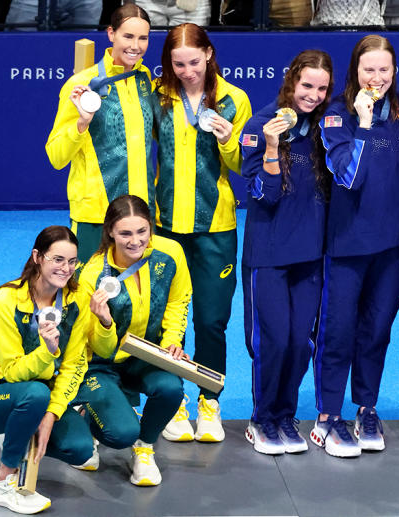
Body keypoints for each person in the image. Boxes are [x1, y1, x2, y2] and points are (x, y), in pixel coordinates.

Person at [151, 22, 252, 445]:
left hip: (215, 228)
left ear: (209, 54)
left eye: (194, 61)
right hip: (165, 226)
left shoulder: (234, 99)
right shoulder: (158, 96)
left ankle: (209, 401)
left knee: (211, 321)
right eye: (178, 63)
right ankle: (171, 402)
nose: (187, 70)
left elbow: (243, 164)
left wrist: (231, 141)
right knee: (162, 321)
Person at [311, 35, 399, 457]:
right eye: (368, 70)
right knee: (338, 331)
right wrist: (365, 124)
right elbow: (348, 175)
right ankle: (327, 416)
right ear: (355, 72)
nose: (376, 78)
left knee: (377, 331)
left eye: (384, 70)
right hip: (349, 244)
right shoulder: (336, 115)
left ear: (394, 72)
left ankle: (366, 407)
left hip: (393, 246)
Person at [239, 50, 333, 455]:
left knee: (300, 343)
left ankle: (285, 415)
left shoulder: (327, 129)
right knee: (272, 341)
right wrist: (274, 146)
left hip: (310, 253)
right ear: (292, 82)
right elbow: (264, 194)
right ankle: (262, 418)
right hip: (269, 252)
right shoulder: (261, 125)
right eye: (307, 85)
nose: (312, 95)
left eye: (322, 88)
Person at [0, 226, 93, 515]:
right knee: (35, 392)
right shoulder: (5, 301)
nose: (66, 269)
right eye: (57, 259)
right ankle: (1, 482)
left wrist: (52, 414)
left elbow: (75, 363)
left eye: (72, 261)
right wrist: (47, 352)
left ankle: (22, 425)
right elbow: (12, 372)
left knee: (81, 449)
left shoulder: (77, 300)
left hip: (38, 399)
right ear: (37, 257)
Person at [74, 194, 191, 486]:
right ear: (110, 232)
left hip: (145, 355)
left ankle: (144, 447)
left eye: (142, 231)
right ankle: (88, 416)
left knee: (171, 388)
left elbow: (178, 302)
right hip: (102, 364)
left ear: (150, 227)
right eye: (125, 233)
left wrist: (172, 341)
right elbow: (98, 348)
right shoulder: (92, 275)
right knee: (119, 433)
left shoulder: (171, 253)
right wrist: (103, 321)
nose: (135, 241)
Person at [45, 4, 155, 262]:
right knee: (87, 296)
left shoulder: (144, 79)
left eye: (143, 38)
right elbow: (56, 156)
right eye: (128, 36)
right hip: (96, 215)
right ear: (111, 34)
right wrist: (82, 124)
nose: (135, 45)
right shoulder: (81, 84)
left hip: (139, 216)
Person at [134, 0, 210, 27]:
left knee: (192, 46)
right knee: (150, 48)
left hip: (190, 4)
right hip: (147, 2)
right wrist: (129, 3)